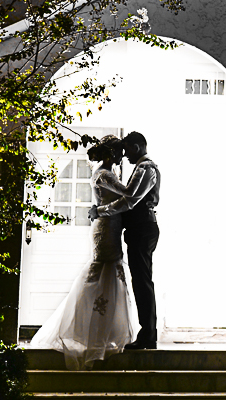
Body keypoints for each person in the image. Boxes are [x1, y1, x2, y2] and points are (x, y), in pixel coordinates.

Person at [30, 134, 140, 370]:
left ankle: (103, 333)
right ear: (111, 153)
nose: (122, 156)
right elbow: (128, 193)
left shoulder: (108, 172)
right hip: (106, 228)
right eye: (120, 152)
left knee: (110, 274)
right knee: (103, 274)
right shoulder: (104, 174)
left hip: (111, 226)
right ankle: (92, 336)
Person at [89, 130, 161, 349]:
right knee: (140, 281)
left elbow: (130, 199)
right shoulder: (140, 168)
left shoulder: (145, 168)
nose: (125, 157)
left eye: (127, 151)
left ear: (136, 147)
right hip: (137, 229)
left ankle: (148, 335)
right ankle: (147, 333)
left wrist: (100, 210)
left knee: (142, 281)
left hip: (142, 229)